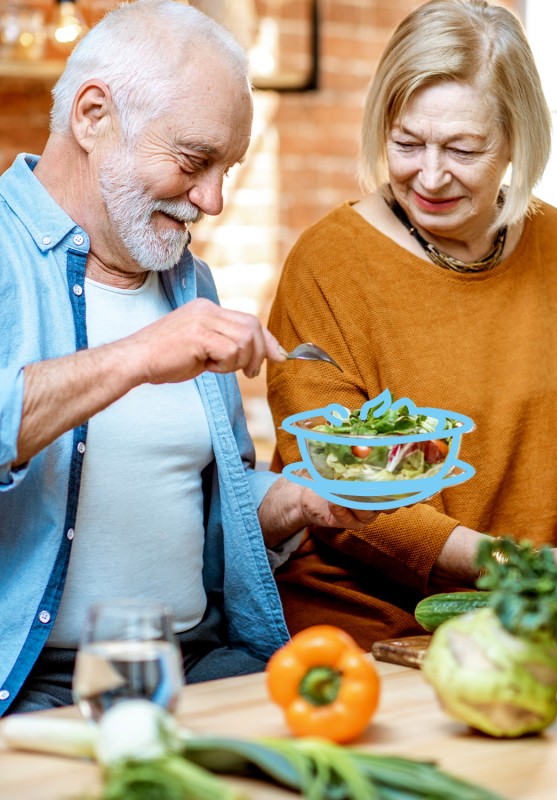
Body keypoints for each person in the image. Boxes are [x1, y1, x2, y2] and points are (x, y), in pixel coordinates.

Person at [266, 0, 557, 649]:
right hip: (380, 635)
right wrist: (517, 566)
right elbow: (335, 494)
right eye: (405, 143)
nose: (428, 175)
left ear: (517, 139)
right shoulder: (328, 264)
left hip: (545, 622)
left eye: (463, 148)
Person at [0, 0, 379, 716]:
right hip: (36, 685)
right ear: (91, 116)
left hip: (205, 661)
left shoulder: (187, 281)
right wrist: (141, 354)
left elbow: (207, 498)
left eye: (228, 168)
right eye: (194, 160)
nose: (213, 199)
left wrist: (299, 503)